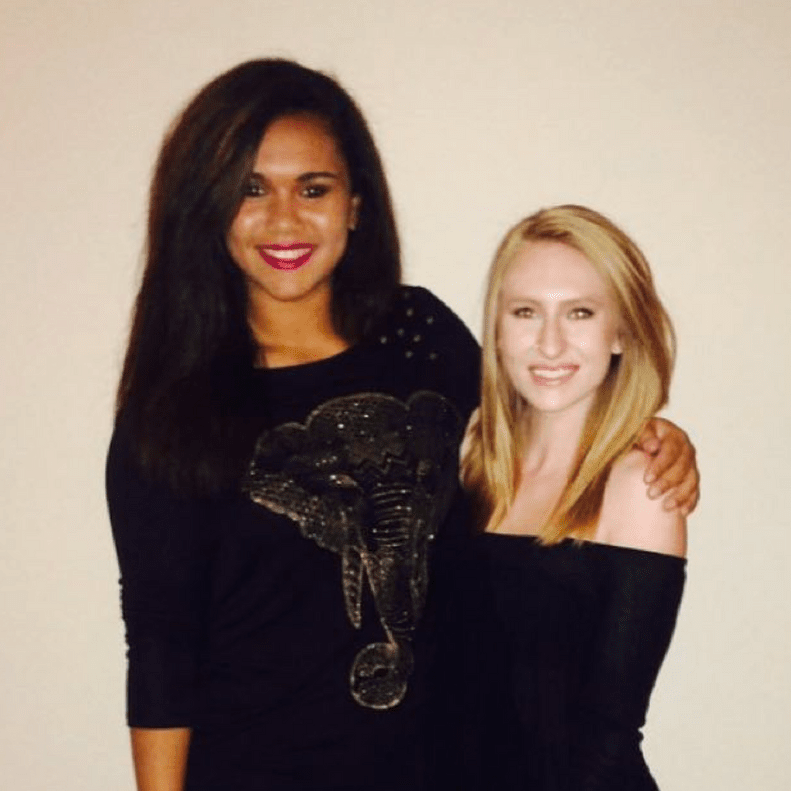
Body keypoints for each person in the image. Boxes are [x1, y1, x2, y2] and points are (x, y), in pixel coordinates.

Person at [106, 59, 698, 791]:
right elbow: (161, 648)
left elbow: (533, 418)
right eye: (250, 189)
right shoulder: (173, 412)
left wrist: (647, 434)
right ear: (207, 208)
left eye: (313, 188)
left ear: (355, 205)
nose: (284, 219)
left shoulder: (420, 336)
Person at [459, 204, 689, 790]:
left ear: (622, 332)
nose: (550, 342)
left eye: (580, 312)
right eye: (526, 312)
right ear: (498, 330)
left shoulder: (639, 485)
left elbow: (606, 744)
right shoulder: (470, 456)